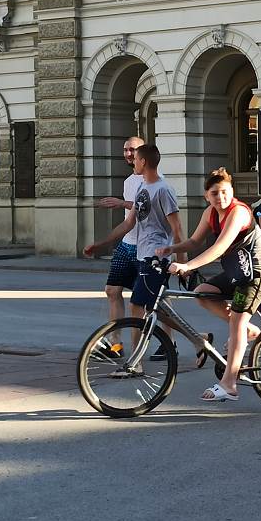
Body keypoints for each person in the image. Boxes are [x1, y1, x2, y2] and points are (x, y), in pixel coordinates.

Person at [159, 167, 261, 401]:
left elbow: (220, 247)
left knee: (237, 321)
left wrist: (188, 266)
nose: (220, 197)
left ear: (232, 192)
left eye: (225, 192)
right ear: (207, 196)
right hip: (239, 270)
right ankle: (248, 331)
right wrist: (171, 249)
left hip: (260, 270)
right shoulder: (210, 213)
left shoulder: (239, 212)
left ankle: (229, 384)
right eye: (214, 193)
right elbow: (195, 241)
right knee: (203, 292)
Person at [84, 144, 184, 371]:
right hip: (141, 253)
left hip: (157, 258)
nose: (133, 161)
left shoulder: (163, 189)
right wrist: (101, 243)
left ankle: (136, 362)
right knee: (153, 306)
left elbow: (177, 230)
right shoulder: (141, 187)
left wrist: (183, 263)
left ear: (144, 162)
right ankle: (199, 340)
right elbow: (129, 223)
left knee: (137, 306)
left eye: (136, 157)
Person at [83, 136, 143, 361]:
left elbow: (148, 210)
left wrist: (121, 203)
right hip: (127, 244)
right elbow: (129, 221)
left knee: (152, 303)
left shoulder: (154, 180)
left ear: (143, 153)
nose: (128, 154)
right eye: (126, 150)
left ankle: (180, 341)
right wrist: (102, 243)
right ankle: (115, 345)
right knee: (112, 290)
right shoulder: (128, 182)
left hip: (147, 248)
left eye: (133, 150)